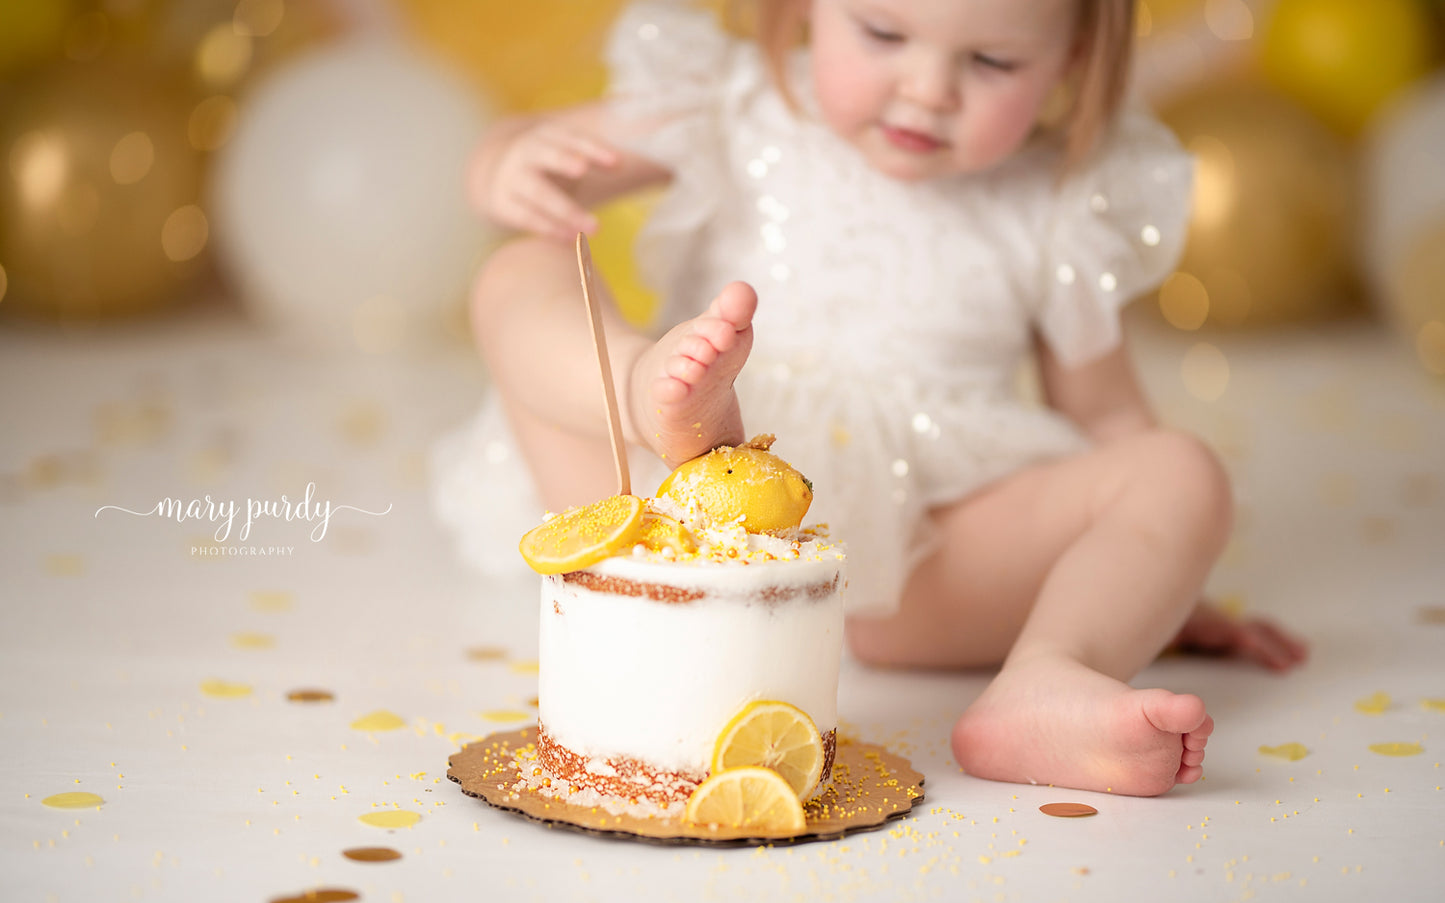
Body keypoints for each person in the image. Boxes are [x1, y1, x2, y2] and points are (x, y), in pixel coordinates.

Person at [433, 0, 1308, 796]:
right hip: (655, 514)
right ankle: (639, 390)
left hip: (911, 577)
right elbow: (535, 153)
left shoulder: (1053, 203)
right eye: (884, 33)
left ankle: (1047, 675)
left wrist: (1151, 580)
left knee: (1179, 471)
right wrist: (502, 166)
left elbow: (1109, 421)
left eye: (992, 62)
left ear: (1073, 56)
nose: (927, 91)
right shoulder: (731, 105)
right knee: (523, 266)